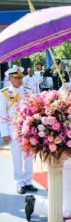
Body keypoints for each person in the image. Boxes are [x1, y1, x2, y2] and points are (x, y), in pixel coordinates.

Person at [0, 66, 38, 194]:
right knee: (16, 156)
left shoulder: (28, 91)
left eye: (21, 77)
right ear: (10, 79)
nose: (20, 80)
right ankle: (19, 182)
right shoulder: (4, 93)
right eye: (17, 78)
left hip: (28, 129)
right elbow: (2, 115)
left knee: (28, 155)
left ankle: (28, 181)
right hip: (13, 129)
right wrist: (4, 133)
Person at [25, 153, 71, 221]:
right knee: (69, 212)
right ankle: (35, 204)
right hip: (64, 177)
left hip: (61, 174)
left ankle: (34, 202)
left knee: (62, 204)